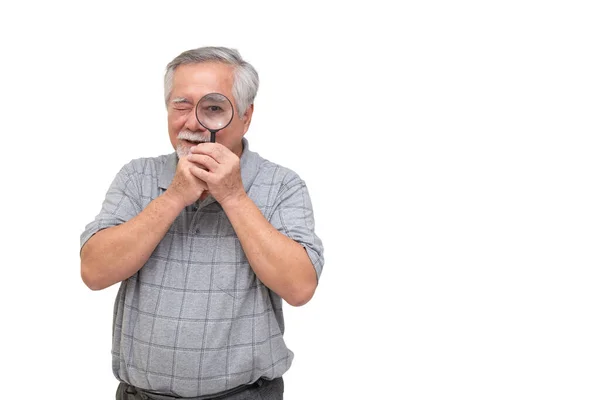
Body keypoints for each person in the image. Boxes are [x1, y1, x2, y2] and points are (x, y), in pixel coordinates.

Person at [80, 46, 324, 400]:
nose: (193, 123)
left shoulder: (283, 185)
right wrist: (175, 196)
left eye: (213, 108)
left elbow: (300, 288)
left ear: (245, 116)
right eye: (181, 106)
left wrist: (233, 196)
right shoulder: (137, 177)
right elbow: (94, 272)